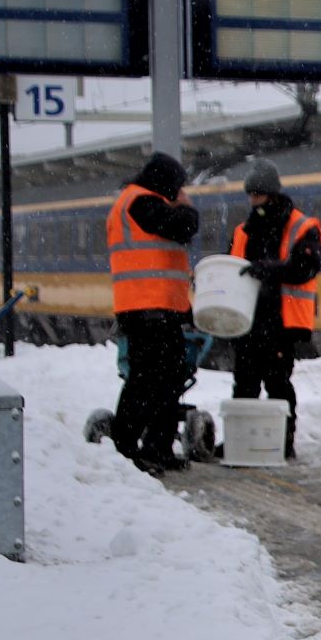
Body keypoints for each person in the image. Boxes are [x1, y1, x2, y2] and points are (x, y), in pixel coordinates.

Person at [108, 152, 199, 475]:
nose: (179, 192)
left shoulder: (142, 201)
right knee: (147, 381)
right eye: (177, 186)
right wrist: (187, 207)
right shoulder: (139, 201)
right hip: (146, 309)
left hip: (160, 309)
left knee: (169, 379)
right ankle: (125, 446)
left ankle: (158, 448)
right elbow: (183, 226)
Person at [228, 158, 321, 461]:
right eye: (250, 195)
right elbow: (232, 266)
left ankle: (282, 443)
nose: (253, 200)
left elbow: (305, 267)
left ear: (271, 194)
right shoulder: (244, 230)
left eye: (258, 194)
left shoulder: (301, 227)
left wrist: (268, 269)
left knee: (277, 383)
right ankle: (240, 443)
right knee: (244, 382)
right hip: (247, 319)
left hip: (281, 321)